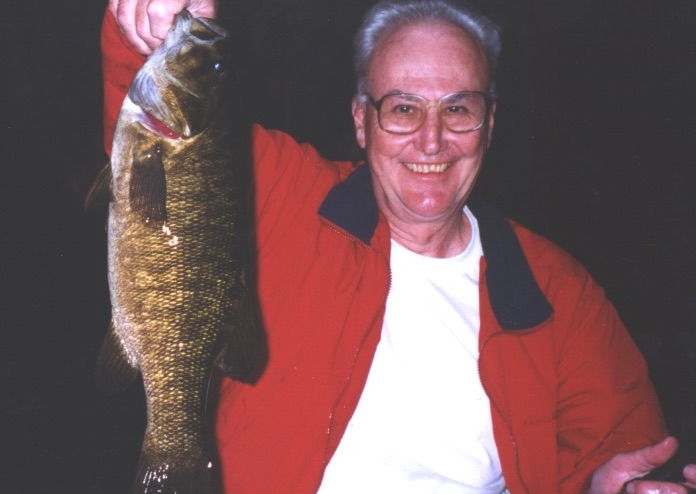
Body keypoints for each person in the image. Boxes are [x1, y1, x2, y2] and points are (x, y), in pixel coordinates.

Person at [101, 0, 696, 492]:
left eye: (458, 108)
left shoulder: (555, 291)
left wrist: (609, 485)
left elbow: (616, 446)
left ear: (490, 124)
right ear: (361, 121)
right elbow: (167, 151)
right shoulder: (282, 194)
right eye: (403, 108)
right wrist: (146, 29)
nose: (432, 140)